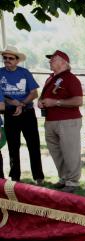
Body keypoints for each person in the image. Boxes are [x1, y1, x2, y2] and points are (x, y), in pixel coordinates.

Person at [38, 50, 83, 194]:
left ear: (64, 62)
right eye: (50, 59)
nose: (50, 61)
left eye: (53, 59)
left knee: (70, 152)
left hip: (68, 121)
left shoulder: (71, 78)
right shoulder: (51, 78)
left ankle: (73, 181)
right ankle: (64, 178)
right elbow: (45, 96)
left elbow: (78, 100)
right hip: (51, 120)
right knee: (56, 152)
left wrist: (56, 102)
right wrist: (40, 101)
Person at [0, 45, 44, 184]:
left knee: (33, 144)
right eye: (5, 58)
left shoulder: (24, 72)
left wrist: (21, 104)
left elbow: (34, 93)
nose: (7, 60)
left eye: (11, 58)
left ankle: (38, 176)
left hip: (27, 112)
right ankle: (15, 177)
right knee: (13, 146)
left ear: (17, 60)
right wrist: (11, 102)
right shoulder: (0, 73)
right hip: (9, 113)